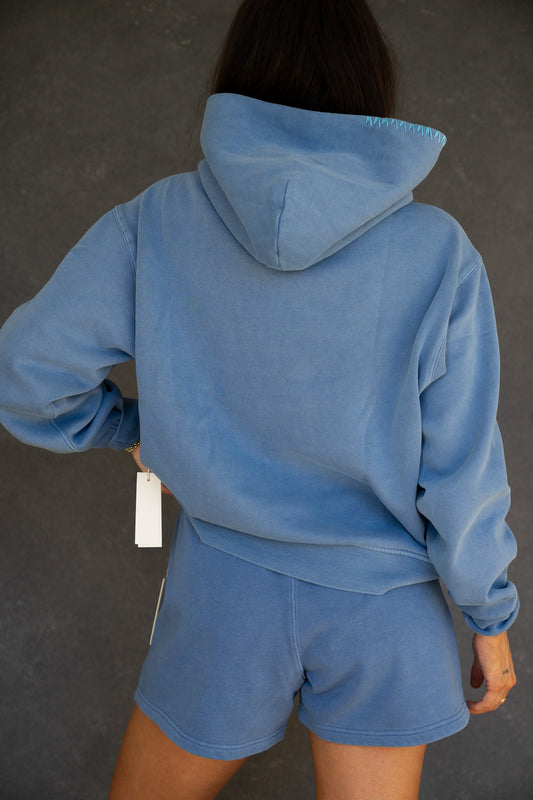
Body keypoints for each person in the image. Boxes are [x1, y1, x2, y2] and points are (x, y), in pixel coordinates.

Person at [0, 0, 519, 798]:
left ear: (238, 74)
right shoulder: (437, 251)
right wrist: (488, 618)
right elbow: (460, 466)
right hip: (385, 608)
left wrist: (131, 429)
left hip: (223, 594)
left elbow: (26, 375)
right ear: (369, 83)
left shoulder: (156, 219)